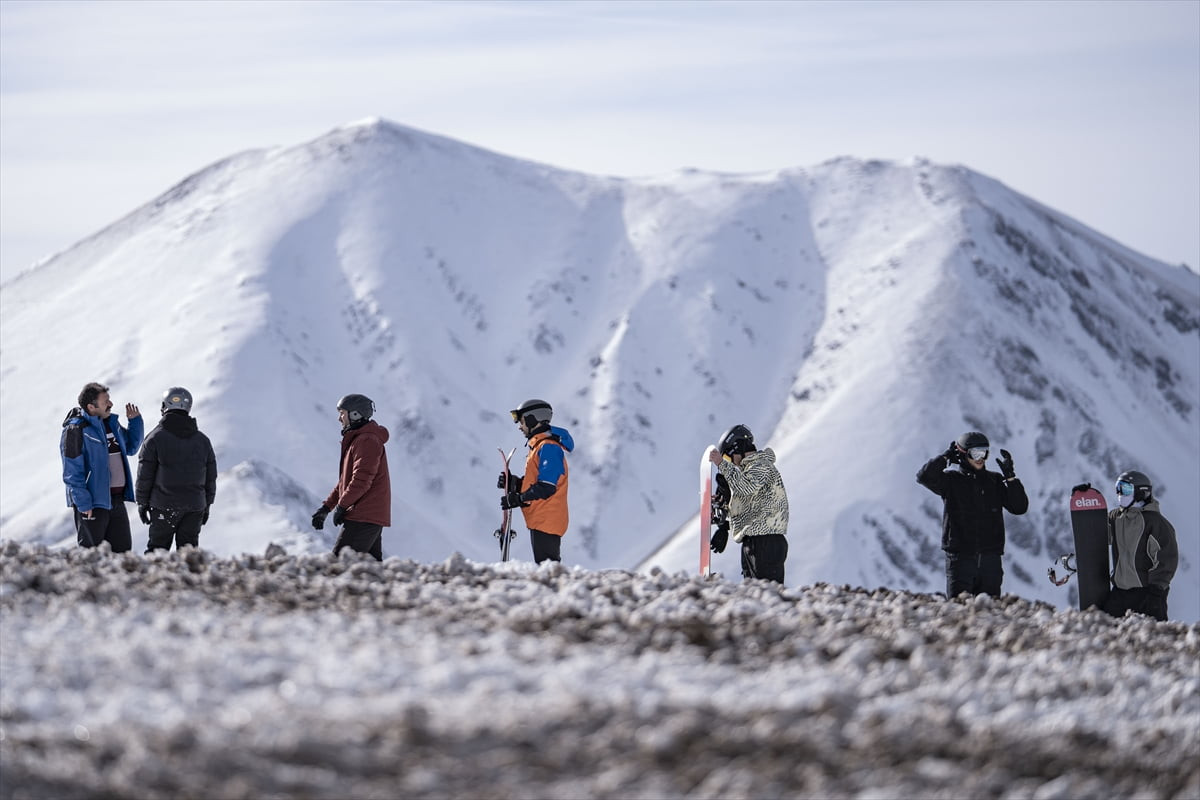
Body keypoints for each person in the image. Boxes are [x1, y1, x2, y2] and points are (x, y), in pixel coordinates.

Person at [916, 431, 1029, 598]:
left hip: (991, 561)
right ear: (962, 454)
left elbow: (1019, 507)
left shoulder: (994, 481)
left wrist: (1010, 479)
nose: (980, 458)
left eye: (984, 452)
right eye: (975, 453)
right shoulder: (951, 481)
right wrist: (945, 458)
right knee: (958, 610)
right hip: (960, 560)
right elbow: (924, 477)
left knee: (991, 613)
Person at [60, 382, 144, 552]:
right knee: (92, 556)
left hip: (117, 501)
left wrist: (135, 422)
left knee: (123, 555)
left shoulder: (111, 424)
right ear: (91, 407)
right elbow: (71, 471)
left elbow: (131, 448)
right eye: (106, 402)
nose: (111, 404)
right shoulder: (75, 429)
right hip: (93, 504)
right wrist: (83, 503)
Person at [135, 387, 218, 553]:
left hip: (163, 506)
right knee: (189, 555)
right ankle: (190, 580)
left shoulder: (154, 439)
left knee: (157, 552)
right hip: (195, 506)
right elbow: (210, 477)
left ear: (164, 406)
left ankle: (154, 579)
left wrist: (142, 503)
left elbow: (145, 475)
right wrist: (207, 504)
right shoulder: (203, 441)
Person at [311, 394, 391, 560]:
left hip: (363, 515)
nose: (339, 418)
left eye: (342, 413)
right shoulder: (358, 440)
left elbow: (362, 480)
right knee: (370, 571)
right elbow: (345, 482)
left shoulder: (367, 441)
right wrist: (326, 508)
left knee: (339, 564)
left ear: (355, 414)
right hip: (366, 515)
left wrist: (342, 506)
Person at [706, 424, 789, 584]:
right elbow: (746, 505)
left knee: (767, 594)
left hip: (767, 543)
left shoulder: (761, 465)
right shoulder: (749, 471)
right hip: (753, 542)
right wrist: (723, 524)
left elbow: (746, 488)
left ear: (739, 447)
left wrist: (721, 464)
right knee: (753, 593)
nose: (731, 463)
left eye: (729, 458)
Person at [498, 399, 575, 564]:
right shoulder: (539, 447)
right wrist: (514, 483)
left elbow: (547, 487)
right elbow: (536, 483)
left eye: (522, 421)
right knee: (546, 568)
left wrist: (518, 499)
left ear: (533, 419)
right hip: (542, 518)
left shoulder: (549, 448)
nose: (520, 426)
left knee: (548, 569)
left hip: (548, 519)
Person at [1098, 470, 1178, 621]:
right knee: (1105, 631)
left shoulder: (1156, 523)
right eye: (1118, 488)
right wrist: (1087, 503)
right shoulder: (1116, 518)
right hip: (1119, 593)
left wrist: (1156, 591)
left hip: (1147, 594)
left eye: (1125, 489)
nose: (1120, 493)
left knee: (1152, 636)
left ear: (1141, 492)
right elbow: (1098, 536)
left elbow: (1167, 559)